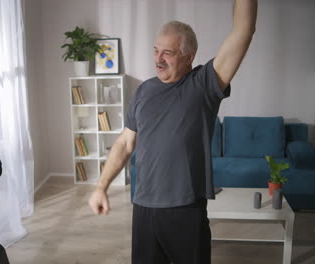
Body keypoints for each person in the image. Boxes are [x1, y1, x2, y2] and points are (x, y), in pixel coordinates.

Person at [88, 1, 257, 263]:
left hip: (185, 209)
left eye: (167, 52)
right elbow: (124, 143)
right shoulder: (144, 91)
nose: (157, 59)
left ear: (188, 57)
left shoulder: (203, 84)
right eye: (156, 50)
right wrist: (101, 187)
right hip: (143, 207)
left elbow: (243, 31)